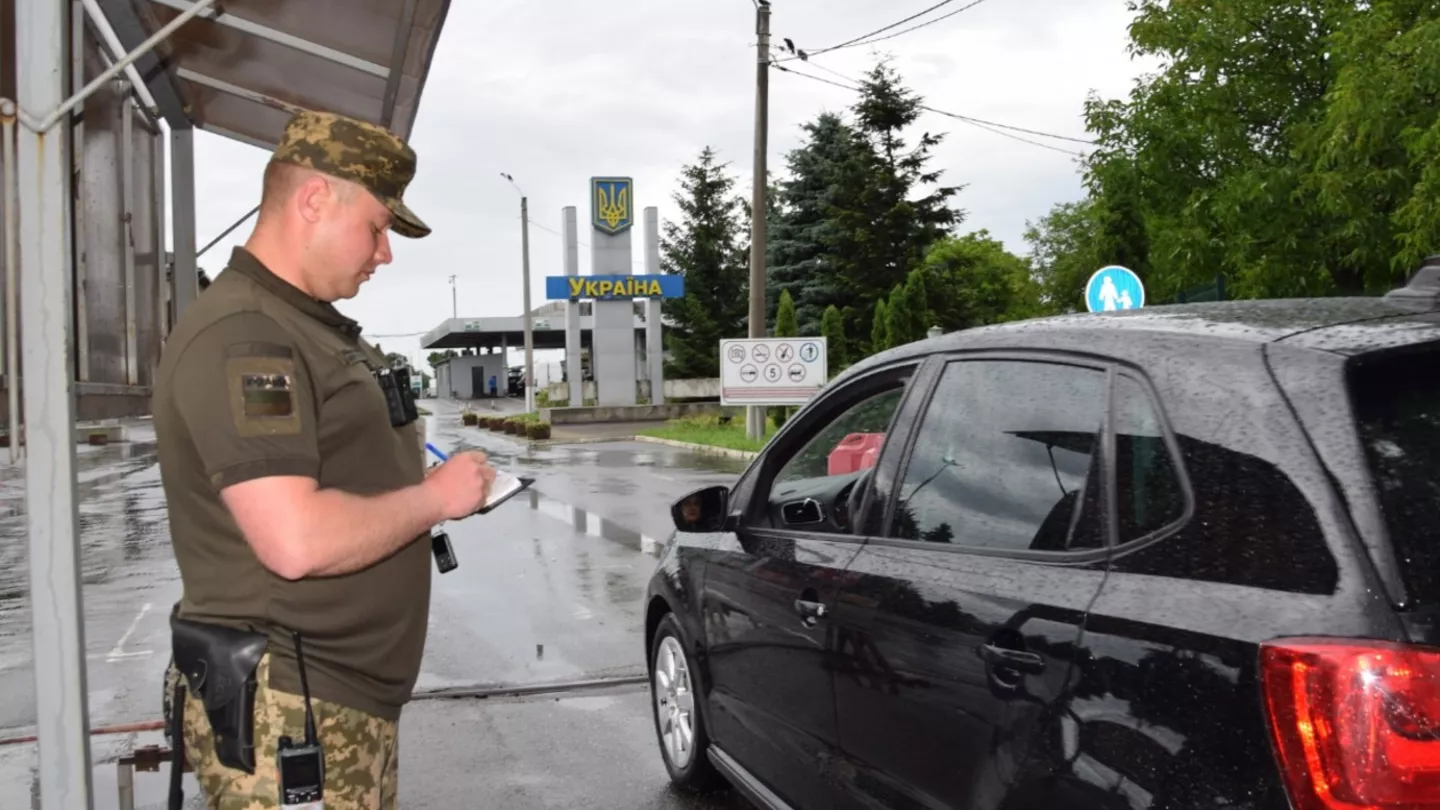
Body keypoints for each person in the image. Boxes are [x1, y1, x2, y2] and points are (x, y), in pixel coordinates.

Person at [153, 108, 497, 809]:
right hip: (294, 707)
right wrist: (438, 498)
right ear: (314, 200)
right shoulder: (247, 336)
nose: (384, 253)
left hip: (331, 700)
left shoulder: (300, 324)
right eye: (376, 227)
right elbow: (294, 538)